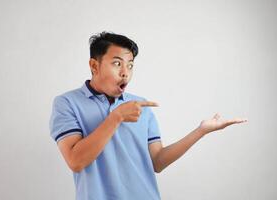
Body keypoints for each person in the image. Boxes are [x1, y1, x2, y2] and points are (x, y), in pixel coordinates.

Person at [49, 31, 248, 200]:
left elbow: (158, 162)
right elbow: (76, 161)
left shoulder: (140, 105)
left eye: (130, 65)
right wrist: (115, 117)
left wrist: (201, 131)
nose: (125, 72)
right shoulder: (67, 103)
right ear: (94, 66)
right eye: (117, 64)